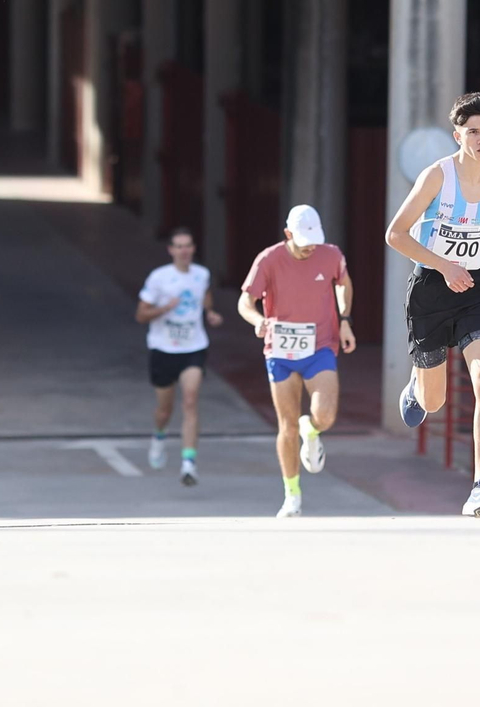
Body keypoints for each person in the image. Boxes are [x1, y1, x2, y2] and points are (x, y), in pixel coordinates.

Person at [385, 91, 480, 518]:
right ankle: (418, 383)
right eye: (473, 132)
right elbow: (395, 234)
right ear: (458, 135)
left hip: (476, 289)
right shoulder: (436, 176)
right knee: (433, 404)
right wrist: (444, 265)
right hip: (431, 288)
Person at [237, 204, 356, 517]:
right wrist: (256, 320)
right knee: (286, 426)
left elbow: (344, 283)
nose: (310, 249)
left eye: (314, 241)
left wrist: (344, 319)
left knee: (325, 414)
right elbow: (245, 301)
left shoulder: (330, 255)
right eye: (303, 244)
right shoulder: (269, 259)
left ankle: (313, 430)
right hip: (281, 351)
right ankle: (292, 495)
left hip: (320, 347)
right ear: (288, 235)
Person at [136, 228, 223, 485]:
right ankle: (159, 435)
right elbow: (140, 315)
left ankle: (188, 463)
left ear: (194, 249)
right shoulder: (159, 278)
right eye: (178, 246)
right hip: (163, 349)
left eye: (188, 246)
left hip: (193, 348)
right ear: (171, 250)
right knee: (165, 409)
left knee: (190, 400)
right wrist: (164, 308)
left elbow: (205, 297)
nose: (184, 251)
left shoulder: (202, 274)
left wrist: (210, 313)